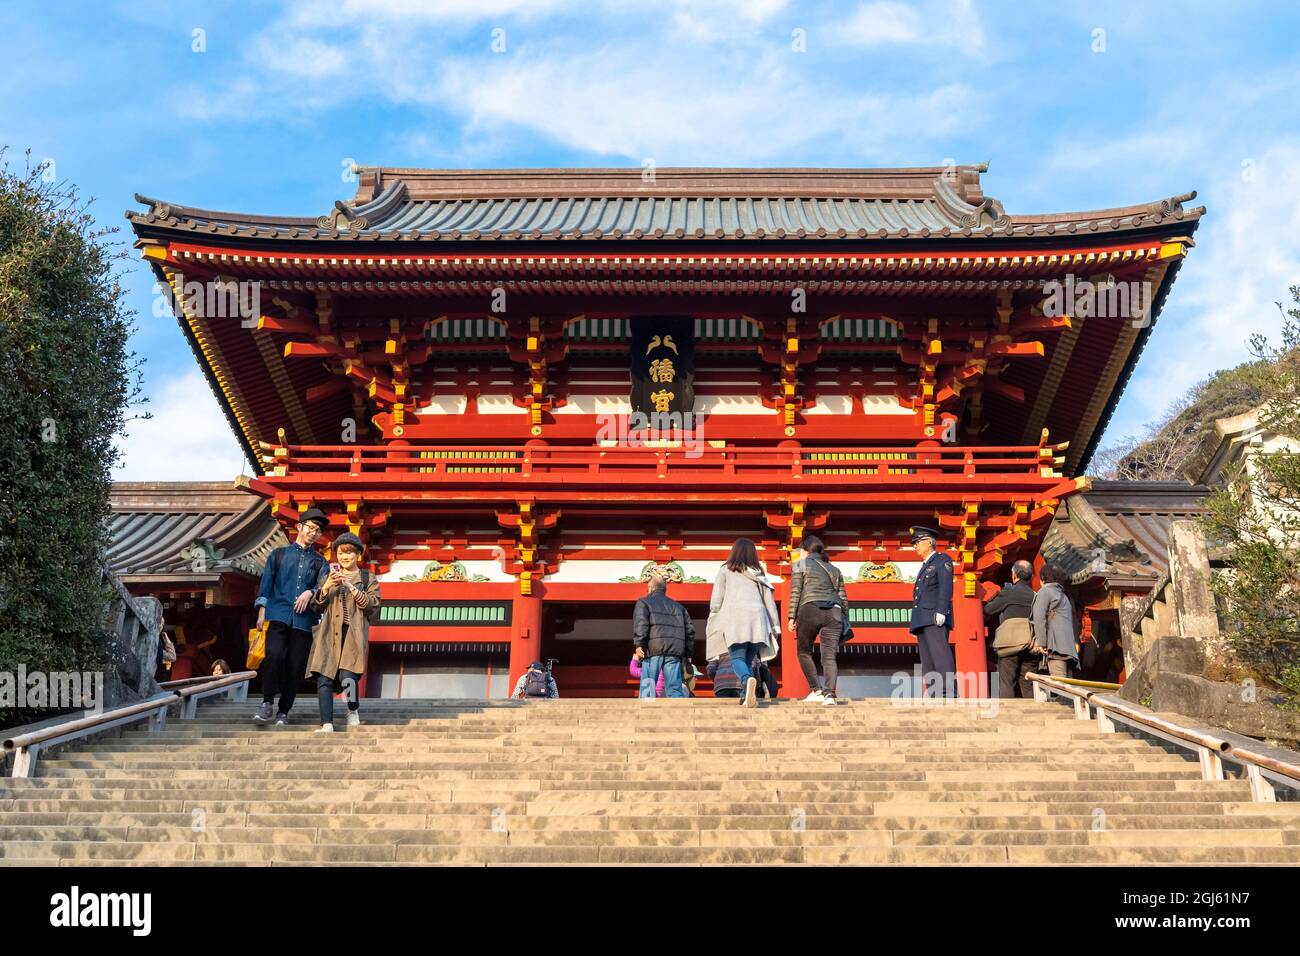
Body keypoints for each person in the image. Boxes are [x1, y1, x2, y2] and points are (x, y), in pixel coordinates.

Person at [252, 507, 329, 725]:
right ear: (299, 527)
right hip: (278, 614)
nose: (314, 533)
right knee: (273, 656)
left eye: (318, 531)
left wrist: (310, 591)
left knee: (295, 667)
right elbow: (266, 585)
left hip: (304, 622)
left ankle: (283, 710)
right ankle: (267, 702)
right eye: (311, 528)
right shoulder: (278, 555)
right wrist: (261, 611)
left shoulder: (320, 562)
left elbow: (324, 587)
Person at [306, 532, 381, 732]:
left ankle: (352, 709)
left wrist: (350, 586)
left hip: (353, 633)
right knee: (324, 676)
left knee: (348, 676)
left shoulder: (367, 578)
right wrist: (327, 586)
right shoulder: (327, 577)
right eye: (340, 553)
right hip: (329, 633)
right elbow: (316, 606)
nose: (344, 557)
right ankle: (327, 723)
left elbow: (372, 606)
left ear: (357, 555)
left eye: (349, 553)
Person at [707, 539, 780, 708]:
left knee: (737, 659)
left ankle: (747, 681)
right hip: (758, 622)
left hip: (735, 620)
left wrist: (713, 617)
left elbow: (716, 600)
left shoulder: (725, 570)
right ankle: (745, 695)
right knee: (747, 660)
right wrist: (775, 627)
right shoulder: (759, 574)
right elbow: (769, 601)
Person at [787, 535, 848, 706]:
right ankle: (830, 695)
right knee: (829, 657)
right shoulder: (834, 569)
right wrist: (845, 619)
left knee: (804, 651)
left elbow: (796, 591)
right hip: (834, 611)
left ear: (805, 550)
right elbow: (843, 597)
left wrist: (791, 616)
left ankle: (816, 690)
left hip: (810, 608)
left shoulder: (800, 564)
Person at [908, 525, 956, 697]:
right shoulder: (925, 566)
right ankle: (934, 691)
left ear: (929, 542)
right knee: (927, 659)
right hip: (923, 617)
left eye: (918, 541)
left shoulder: (942, 559)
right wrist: (915, 622)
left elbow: (945, 586)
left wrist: (942, 610)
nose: (915, 546)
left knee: (940, 654)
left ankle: (948, 690)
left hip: (935, 614)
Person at [631, 573, 694, 699]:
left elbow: (641, 624)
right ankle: (677, 715)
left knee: (648, 688)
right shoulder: (678, 607)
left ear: (650, 587)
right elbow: (689, 631)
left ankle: (646, 715)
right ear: (664, 589)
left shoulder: (644, 602)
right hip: (673, 652)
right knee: (674, 689)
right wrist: (687, 654)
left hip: (652, 650)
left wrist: (639, 644)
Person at [984, 559, 1040, 699]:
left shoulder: (1009, 592)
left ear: (1014, 575)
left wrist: (995, 594)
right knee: (1028, 683)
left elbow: (989, 610)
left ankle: (1007, 714)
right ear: (1032, 577)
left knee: (1007, 681)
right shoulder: (1036, 596)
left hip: (1010, 644)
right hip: (1030, 644)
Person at [1033, 564, 1079, 678]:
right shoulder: (1064, 596)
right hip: (1068, 648)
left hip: (1056, 647)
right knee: (1069, 686)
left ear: (1043, 578)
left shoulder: (1045, 592)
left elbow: (1039, 618)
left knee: (1060, 685)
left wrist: (1042, 642)